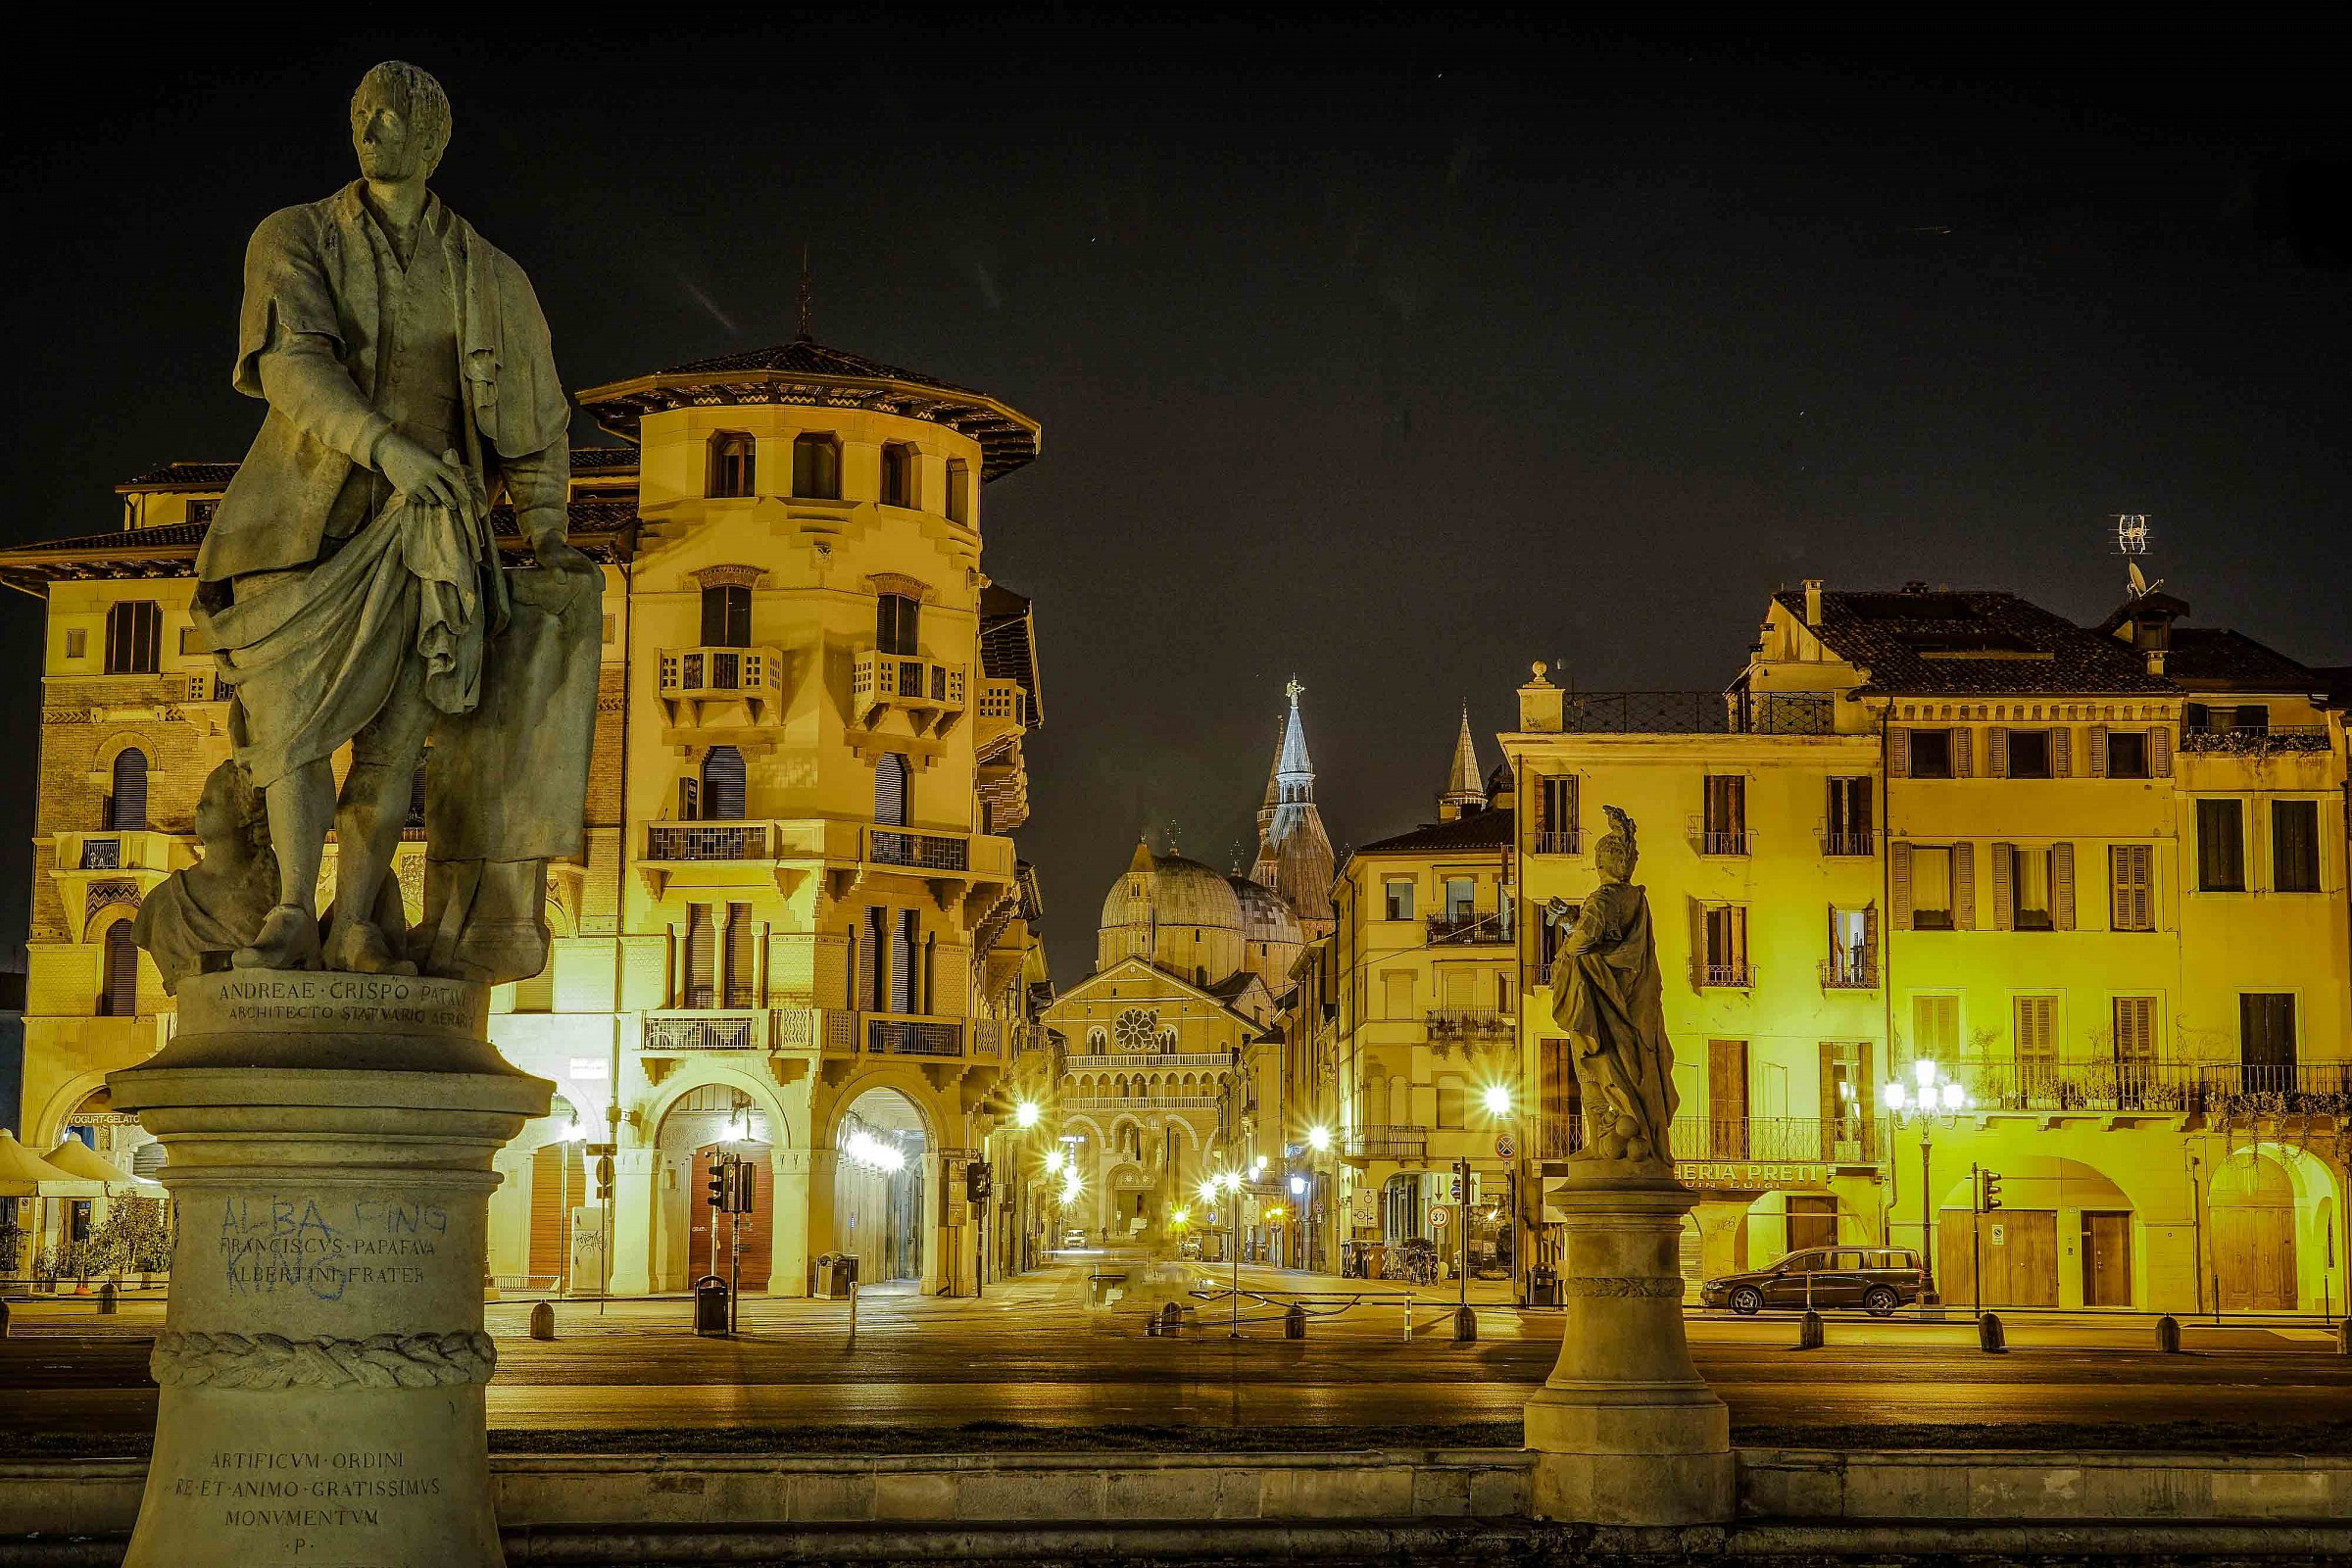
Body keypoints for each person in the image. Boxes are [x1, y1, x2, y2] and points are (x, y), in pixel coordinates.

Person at [187, 62, 591, 975]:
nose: (372, 130)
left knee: (395, 744)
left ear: (435, 138)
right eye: (363, 115)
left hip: (429, 541)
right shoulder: (293, 237)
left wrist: (548, 531)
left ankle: (360, 919)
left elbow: (534, 418)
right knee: (291, 729)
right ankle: (294, 909)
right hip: (298, 528)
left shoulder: (487, 273)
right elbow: (293, 365)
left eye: (394, 116)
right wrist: (386, 448)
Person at [1545, 806, 1680, 1168]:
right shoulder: (1637, 898)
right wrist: (1571, 918)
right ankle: (1622, 1135)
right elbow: (1611, 940)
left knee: (1591, 1068)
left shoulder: (1602, 899)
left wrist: (1567, 944)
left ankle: (1598, 1140)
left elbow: (1587, 939)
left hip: (1597, 1002)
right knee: (1624, 1073)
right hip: (1631, 1003)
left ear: (1600, 862)